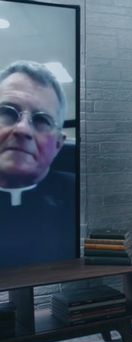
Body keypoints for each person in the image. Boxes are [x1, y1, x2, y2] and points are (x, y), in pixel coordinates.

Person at [0, 61, 76, 268]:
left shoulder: (80, 196)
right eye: (7, 112)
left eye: (42, 120)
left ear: (59, 144)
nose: (22, 130)